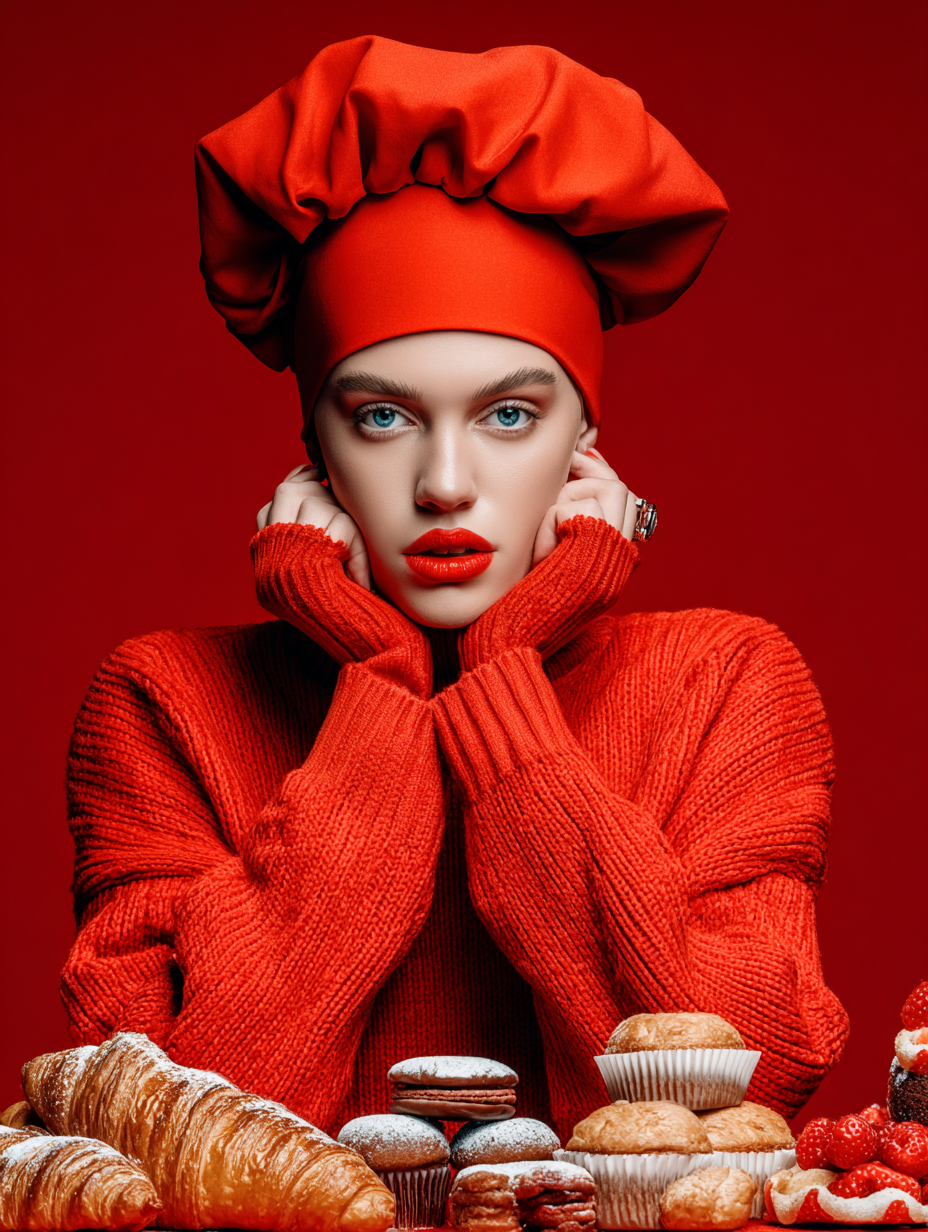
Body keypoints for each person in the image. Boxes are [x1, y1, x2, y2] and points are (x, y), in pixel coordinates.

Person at [62, 36, 848, 1139]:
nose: (442, 482)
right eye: (381, 416)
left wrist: (506, 665)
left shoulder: (725, 681)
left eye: (509, 414)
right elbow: (173, 1128)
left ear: (587, 438)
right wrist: (378, 680)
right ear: (313, 445)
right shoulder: (164, 699)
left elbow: (719, 1111)